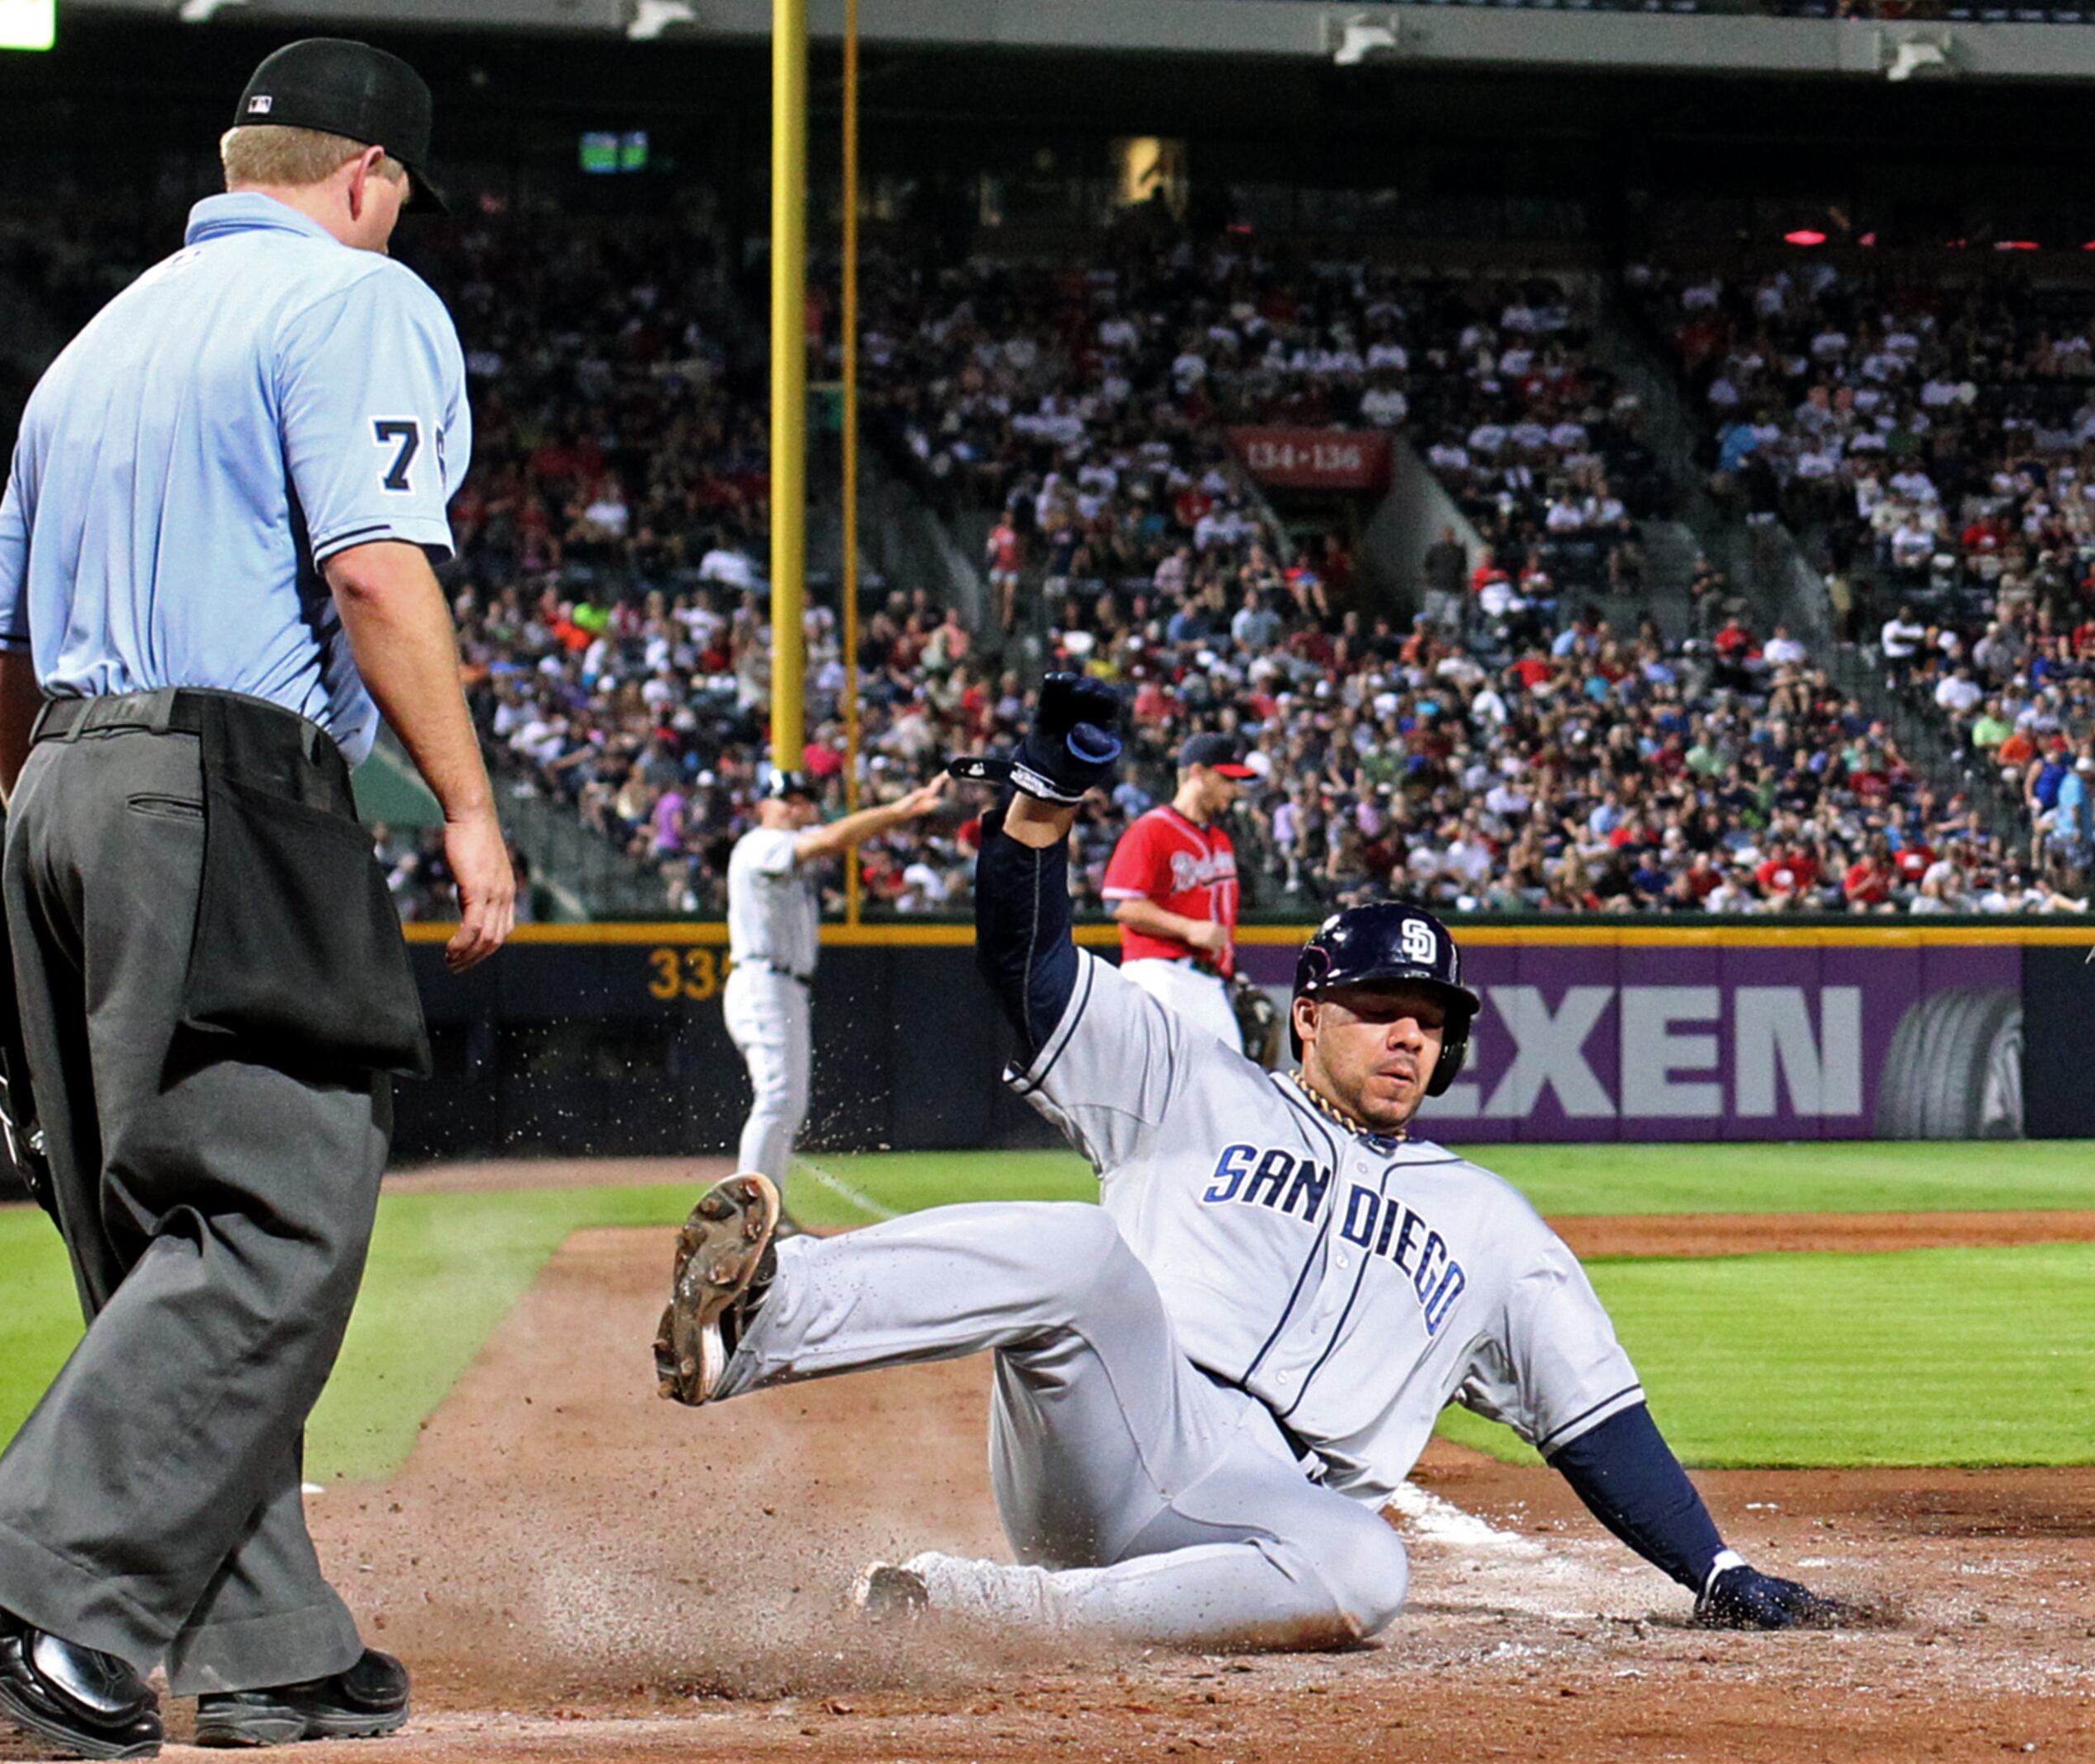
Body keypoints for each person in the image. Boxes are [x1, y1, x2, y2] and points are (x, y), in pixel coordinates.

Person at [651, 676, 1850, 1649]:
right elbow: (1030, 971)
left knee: (1368, 1562)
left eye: (1429, 1021)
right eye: (1381, 1006)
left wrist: (1719, 1568)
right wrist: (1039, 817)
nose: (1407, 1035)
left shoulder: (1490, 1225)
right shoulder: (1190, 1077)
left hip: (1267, 1505)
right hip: (1119, 1422)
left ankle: (972, 1609)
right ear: (1308, 1014)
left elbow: (1597, 1418)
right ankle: (760, 1317)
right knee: (1080, 1249)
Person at [0, 38, 518, 1760]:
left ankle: (271, 1641)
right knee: (279, 1204)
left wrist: (42, 849)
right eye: (402, 201)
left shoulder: (92, 344)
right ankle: (32, 1589)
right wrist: (467, 801)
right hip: (220, 772)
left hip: (62, 786)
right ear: (369, 174)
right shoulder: (351, 299)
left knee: (165, 1233)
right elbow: (377, 564)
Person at [724, 768, 951, 1188]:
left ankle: (767, 1207)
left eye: (802, 799)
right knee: (777, 1098)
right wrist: (897, 811)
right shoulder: (759, 844)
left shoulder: (786, 847)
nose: (796, 806)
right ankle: (744, 1212)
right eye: (786, 799)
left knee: (789, 1103)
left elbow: (832, 841)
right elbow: (832, 840)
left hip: (783, 984)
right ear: (762, 807)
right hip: (762, 979)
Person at [1102, 730, 1250, 1052]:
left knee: (1233, 1092)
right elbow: (1119, 903)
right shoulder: (1151, 829)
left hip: (1209, 981)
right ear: (1198, 773)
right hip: (1161, 974)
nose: (1233, 790)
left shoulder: (1221, 839)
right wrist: (1188, 928)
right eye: (1226, 779)